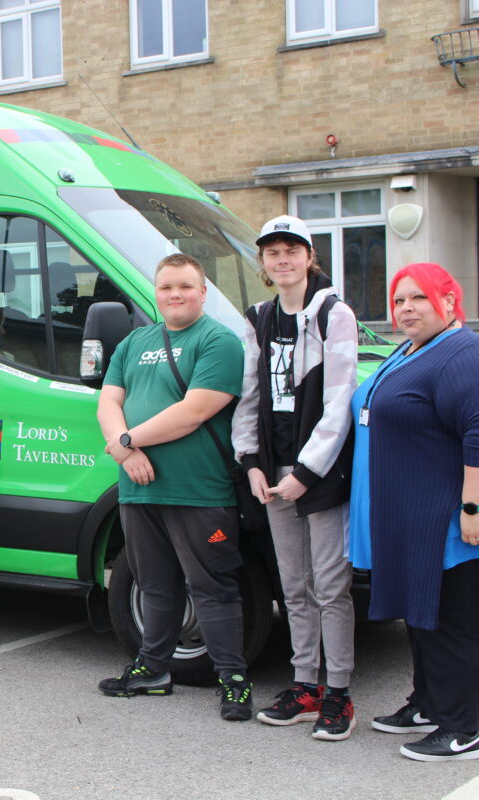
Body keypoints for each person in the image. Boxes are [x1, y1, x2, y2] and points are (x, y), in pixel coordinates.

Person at [96, 253, 253, 721]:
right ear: (156, 292)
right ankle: (153, 671)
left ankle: (234, 681)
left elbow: (195, 411)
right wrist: (124, 451)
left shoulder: (219, 342)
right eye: (166, 287)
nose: (175, 295)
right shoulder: (133, 342)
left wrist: (127, 439)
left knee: (213, 588)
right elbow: (109, 401)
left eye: (185, 286)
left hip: (199, 490)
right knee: (154, 585)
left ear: (203, 292)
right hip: (139, 488)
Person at [231, 216, 358, 739]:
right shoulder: (258, 317)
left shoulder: (334, 313)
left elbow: (340, 400)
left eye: (292, 250)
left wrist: (307, 472)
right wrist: (252, 463)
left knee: (331, 586)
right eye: (272, 252)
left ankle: (340, 696)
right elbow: (248, 398)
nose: (282, 260)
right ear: (262, 263)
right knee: (294, 585)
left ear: (310, 257)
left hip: (319, 473)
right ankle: (305, 684)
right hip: (274, 472)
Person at [349, 263, 479, 762]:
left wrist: (472, 507)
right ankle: (428, 703)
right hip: (411, 519)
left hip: (446, 519)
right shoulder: (412, 349)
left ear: (449, 301)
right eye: (399, 300)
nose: (405, 309)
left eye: (418, 298)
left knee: (451, 623)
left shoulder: (460, 354)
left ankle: (462, 726)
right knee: (423, 618)